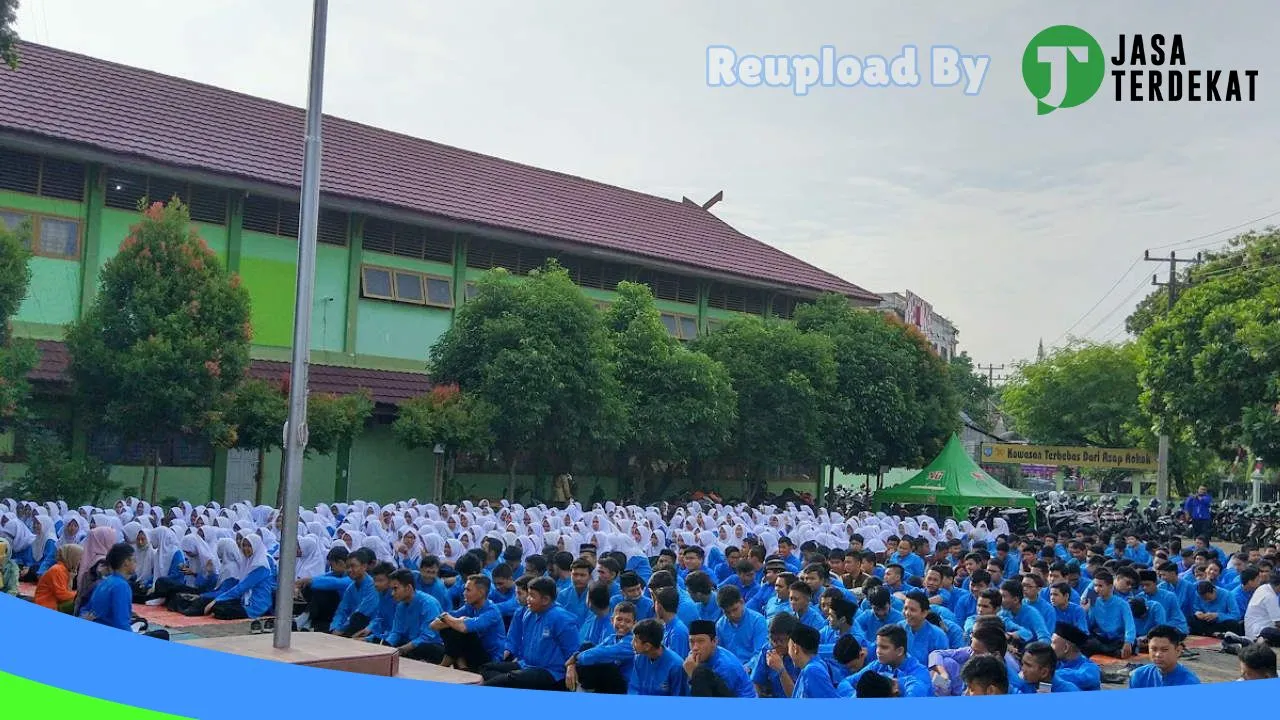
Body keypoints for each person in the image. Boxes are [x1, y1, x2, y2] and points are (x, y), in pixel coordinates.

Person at [481, 576, 578, 690]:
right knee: (486, 668)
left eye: (532, 596)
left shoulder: (561, 618)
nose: (528, 598)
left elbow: (574, 652)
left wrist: (571, 667)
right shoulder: (528, 613)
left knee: (509, 679)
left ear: (545, 600)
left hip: (551, 672)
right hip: (526, 665)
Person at [79, 543, 168, 640]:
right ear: (126, 562)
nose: (135, 563)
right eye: (134, 560)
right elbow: (121, 624)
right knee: (163, 635)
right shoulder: (121, 586)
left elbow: (86, 610)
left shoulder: (104, 582)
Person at [430, 574, 505, 671]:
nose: (464, 593)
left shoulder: (492, 612)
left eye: (468, 590)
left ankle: (448, 664)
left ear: (481, 592)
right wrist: (451, 618)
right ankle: (462, 666)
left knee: (459, 629)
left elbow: (463, 628)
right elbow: (433, 625)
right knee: (450, 627)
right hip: (471, 654)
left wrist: (447, 618)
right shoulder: (469, 606)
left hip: (489, 659)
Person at [567, 600, 636, 693]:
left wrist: (576, 657)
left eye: (627, 621)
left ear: (634, 623)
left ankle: (584, 689)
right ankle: (582, 688)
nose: (622, 624)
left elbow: (605, 653)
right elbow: (594, 650)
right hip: (607, 683)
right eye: (619, 619)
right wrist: (571, 665)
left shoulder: (633, 641)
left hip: (624, 685)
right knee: (587, 646)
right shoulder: (611, 638)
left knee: (607, 666)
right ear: (612, 620)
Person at [204, 534, 275, 620]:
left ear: (256, 547)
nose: (245, 548)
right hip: (245, 601)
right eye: (244, 545)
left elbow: (242, 587)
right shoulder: (247, 563)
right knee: (218, 606)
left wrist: (216, 600)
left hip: (257, 605)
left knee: (219, 609)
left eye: (249, 546)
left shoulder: (261, 567)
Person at [381, 569, 445, 662]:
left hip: (431, 646)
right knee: (384, 643)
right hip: (410, 644)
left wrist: (402, 649)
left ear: (408, 588)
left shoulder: (428, 604)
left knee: (423, 648)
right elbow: (396, 632)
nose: (392, 593)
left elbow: (428, 636)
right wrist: (387, 646)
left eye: (395, 588)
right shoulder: (400, 606)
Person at [683, 619, 756, 697]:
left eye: (701, 641)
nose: (695, 648)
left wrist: (694, 675)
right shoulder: (693, 656)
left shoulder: (726, 667)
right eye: (691, 641)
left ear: (714, 641)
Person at [627, 618, 689, 696]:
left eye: (635, 640)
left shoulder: (676, 666)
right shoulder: (639, 658)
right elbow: (633, 688)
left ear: (647, 646)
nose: (631, 643)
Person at [1129, 625, 1200, 688]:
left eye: (1164, 650)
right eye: (1154, 649)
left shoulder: (1189, 682)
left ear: (1178, 650)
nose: (1158, 655)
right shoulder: (1138, 676)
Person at [330, 547, 378, 636]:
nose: (349, 570)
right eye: (347, 567)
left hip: (371, 628)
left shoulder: (373, 586)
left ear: (364, 566)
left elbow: (362, 613)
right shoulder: (351, 588)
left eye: (353, 566)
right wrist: (335, 628)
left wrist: (341, 630)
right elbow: (342, 611)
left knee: (359, 618)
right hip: (352, 626)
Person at [714, 584, 768, 664]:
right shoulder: (720, 625)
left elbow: (760, 654)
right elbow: (720, 653)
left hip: (752, 669)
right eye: (727, 612)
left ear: (742, 602)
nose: (732, 615)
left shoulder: (758, 621)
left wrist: (747, 668)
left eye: (735, 609)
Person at [788, 624, 838, 698]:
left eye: (788, 647)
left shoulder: (812, 671)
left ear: (795, 648)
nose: (788, 651)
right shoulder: (815, 665)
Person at [1050, 621, 1101, 691]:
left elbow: (1084, 678)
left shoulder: (1090, 668)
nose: (1050, 647)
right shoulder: (1056, 663)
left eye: (1053, 643)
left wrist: (1049, 674)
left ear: (1066, 648)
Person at [34, 544, 82, 613]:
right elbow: (62, 595)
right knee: (78, 602)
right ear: (72, 557)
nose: (80, 562)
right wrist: (79, 594)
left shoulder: (65, 569)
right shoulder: (57, 570)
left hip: (55, 602)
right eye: (79, 558)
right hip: (46, 604)